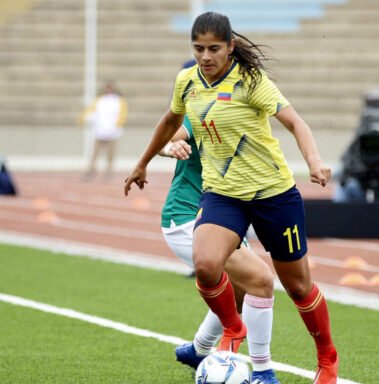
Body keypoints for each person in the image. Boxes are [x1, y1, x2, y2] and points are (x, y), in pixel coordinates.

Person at [125, 12, 338, 384]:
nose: (205, 56)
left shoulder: (250, 80)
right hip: (223, 195)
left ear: (230, 47)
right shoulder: (187, 81)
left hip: (274, 194)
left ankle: (327, 359)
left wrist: (315, 162)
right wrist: (142, 162)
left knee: (298, 287)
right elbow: (169, 123)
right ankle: (236, 333)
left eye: (214, 49)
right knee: (206, 264)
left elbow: (295, 123)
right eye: (198, 48)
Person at [158, 115, 280, 384]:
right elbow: (164, 138)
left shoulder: (251, 118)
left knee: (238, 293)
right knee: (259, 280)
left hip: (223, 219)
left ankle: (199, 350)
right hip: (188, 216)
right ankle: (262, 372)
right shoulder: (207, 109)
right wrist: (170, 148)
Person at [78, 81, 128, 180]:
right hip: (99, 132)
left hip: (113, 133)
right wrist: (84, 119)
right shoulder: (100, 100)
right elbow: (90, 112)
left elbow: (122, 115)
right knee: (95, 154)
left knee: (110, 155)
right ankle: (91, 171)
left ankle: (109, 173)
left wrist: (117, 125)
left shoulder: (120, 101)